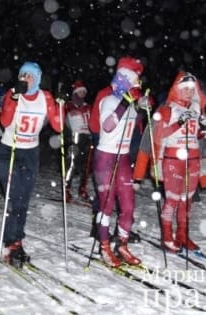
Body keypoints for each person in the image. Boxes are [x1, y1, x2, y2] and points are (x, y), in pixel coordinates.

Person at [0, 61, 63, 267]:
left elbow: (58, 126)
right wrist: (14, 97)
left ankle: (17, 240)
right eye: (23, 75)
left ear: (38, 78)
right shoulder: (13, 93)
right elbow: (5, 122)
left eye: (31, 76)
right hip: (10, 151)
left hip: (30, 153)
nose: (26, 79)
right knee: (14, 197)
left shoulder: (46, 97)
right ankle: (10, 242)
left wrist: (61, 106)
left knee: (24, 200)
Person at [92, 57, 146, 267]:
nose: (136, 86)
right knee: (106, 206)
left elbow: (132, 123)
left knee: (128, 206)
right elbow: (107, 125)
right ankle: (104, 246)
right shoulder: (108, 100)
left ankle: (122, 244)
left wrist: (143, 108)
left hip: (122, 158)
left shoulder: (129, 104)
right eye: (132, 81)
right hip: (105, 158)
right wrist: (125, 101)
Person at [152, 72, 204, 252]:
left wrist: (202, 128)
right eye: (186, 89)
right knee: (172, 200)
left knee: (187, 201)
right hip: (174, 159)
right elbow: (159, 136)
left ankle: (183, 234)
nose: (189, 93)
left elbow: (197, 134)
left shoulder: (196, 109)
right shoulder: (168, 108)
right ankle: (167, 236)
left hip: (193, 159)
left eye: (192, 89)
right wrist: (179, 122)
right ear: (177, 89)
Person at [64, 80, 92, 201]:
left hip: (87, 137)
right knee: (72, 164)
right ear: (75, 93)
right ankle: (66, 189)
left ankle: (83, 190)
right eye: (80, 92)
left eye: (83, 92)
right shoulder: (68, 106)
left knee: (86, 166)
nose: (82, 94)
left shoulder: (88, 107)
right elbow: (62, 121)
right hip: (75, 137)